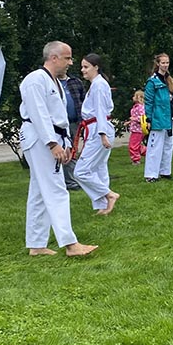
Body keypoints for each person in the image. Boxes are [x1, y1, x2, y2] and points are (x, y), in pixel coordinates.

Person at [19, 41, 97, 257]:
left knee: (39, 191)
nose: (71, 63)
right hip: (40, 138)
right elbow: (39, 114)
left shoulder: (54, 81)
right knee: (56, 190)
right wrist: (52, 143)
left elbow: (59, 117)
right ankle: (70, 244)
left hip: (53, 136)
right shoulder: (35, 80)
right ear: (53, 57)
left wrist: (66, 143)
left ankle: (36, 244)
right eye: (67, 58)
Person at [72, 53, 119, 215]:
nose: (82, 70)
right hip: (97, 127)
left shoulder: (99, 85)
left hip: (99, 129)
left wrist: (102, 134)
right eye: (82, 67)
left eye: (86, 67)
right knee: (99, 167)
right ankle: (103, 205)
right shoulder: (97, 84)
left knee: (81, 171)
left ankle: (108, 194)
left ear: (96, 67)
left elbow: (100, 110)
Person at [144, 53, 173, 182]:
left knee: (168, 145)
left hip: (169, 117)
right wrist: (148, 118)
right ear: (158, 64)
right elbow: (149, 102)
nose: (165, 65)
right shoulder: (152, 81)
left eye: (167, 62)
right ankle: (151, 174)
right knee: (155, 146)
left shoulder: (169, 80)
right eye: (163, 63)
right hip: (158, 118)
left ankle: (165, 171)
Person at [60, 68, 85, 190]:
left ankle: (71, 180)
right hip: (59, 125)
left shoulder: (75, 82)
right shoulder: (50, 82)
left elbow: (83, 101)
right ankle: (67, 181)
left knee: (73, 150)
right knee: (62, 150)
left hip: (74, 122)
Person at [127, 89, 147, 164]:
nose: (133, 97)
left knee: (133, 145)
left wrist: (134, 119)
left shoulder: (141, 107)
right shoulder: (135, 107)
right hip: (135, 129)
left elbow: (143, 118)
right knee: (136, 145)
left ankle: (136, 159)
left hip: (138, 130)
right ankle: (149, 152)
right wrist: (129, 122)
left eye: (134, 96)